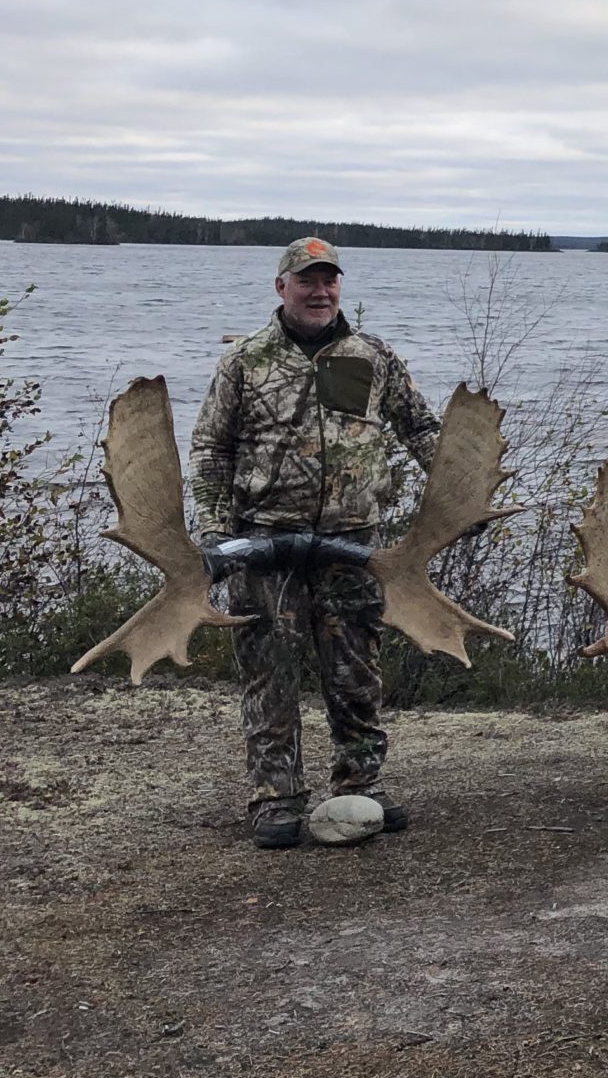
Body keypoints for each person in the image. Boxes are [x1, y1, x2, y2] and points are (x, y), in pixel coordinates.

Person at [188, 237, 446, 849]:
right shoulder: (245, 362)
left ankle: (362, 786)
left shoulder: (373, 356)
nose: (319, 291)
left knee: (355, 672)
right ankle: (276, 798)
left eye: (329, 280)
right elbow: (210, 448)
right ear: (282, 287)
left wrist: (458, 494)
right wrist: (215, 531)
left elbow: (423, 429)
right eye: (307, 280)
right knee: (269, 675)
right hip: (264, 545)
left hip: (352, 545)